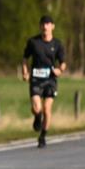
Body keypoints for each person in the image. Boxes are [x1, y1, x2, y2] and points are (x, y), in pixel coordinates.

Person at [22, 15, 66, 149]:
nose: (45, 27)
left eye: (47, 24)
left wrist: (60, 70)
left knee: (47, 109)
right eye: (43, 24)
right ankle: (37, 117)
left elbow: (63, 63)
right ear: (40, 26)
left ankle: (43, 136)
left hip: (50, 80)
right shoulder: (33, 42)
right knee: (37, 107)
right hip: (36, 79)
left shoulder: (57, 44)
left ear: (52, 26)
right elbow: (25, 58)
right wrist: (25, 72)